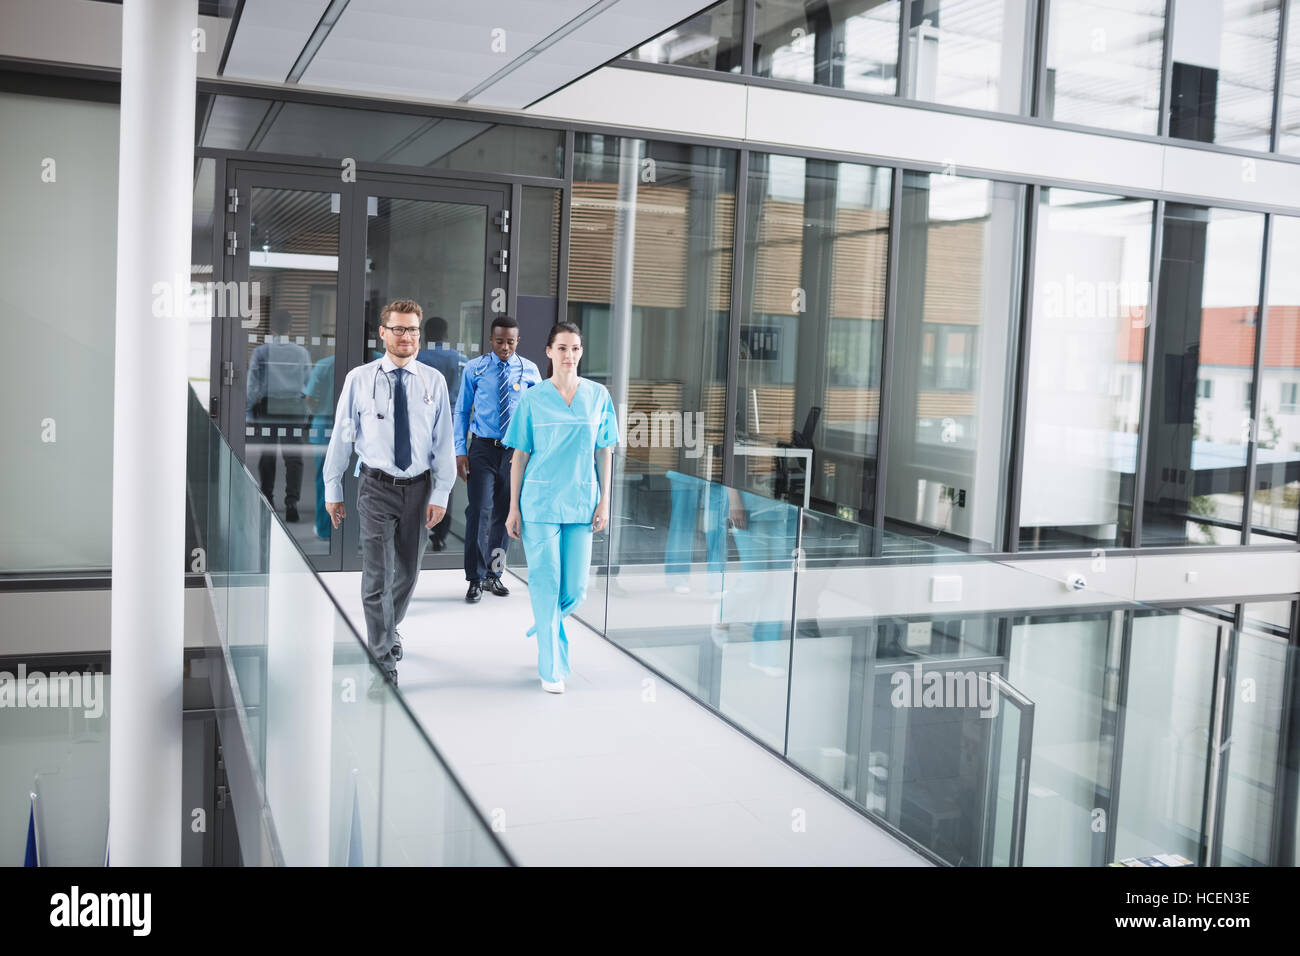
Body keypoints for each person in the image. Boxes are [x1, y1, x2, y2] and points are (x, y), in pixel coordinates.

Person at [323, 299, 455, 691]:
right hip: (375, 487)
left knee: (409, 572)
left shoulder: (434, 381)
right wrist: (333, 485)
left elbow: (443, 441)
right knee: (378, 575)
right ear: (382, 333)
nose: (406, 336)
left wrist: (442, 492)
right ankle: (383, 660)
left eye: (412, 329)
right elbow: (343, 433)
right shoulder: (360, 379)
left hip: (419, 488)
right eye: (397, 329)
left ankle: (388, 627)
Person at [505, 322, 619, 694]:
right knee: (546, 581)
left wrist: (605, 499)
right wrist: (512, 508)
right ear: (549, 352)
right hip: (538, 503)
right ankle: (551, 667)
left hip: (582, 501)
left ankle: (545, 621)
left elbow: (605, 451)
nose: (569, 356)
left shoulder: (598, 396)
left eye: (575, 349)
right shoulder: (533, 398)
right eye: (563, 348)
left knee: (576, 589)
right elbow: (519, 455)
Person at [454, 315, 542, 603]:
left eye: (511, 342)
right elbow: (462, 411)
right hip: (482, 448)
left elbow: (538, 413)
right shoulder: (475, 369)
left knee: (505, 514)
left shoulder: (529, 371)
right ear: (491, 340)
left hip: (515, 452)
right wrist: (459, 450)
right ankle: (475, 578)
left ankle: (494, 574)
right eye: (500, 341)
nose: (506, 347)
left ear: (518, 341)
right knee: (479, 511)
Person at [246, 309, 312, 521]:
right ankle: (291, 502)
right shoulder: (302, 353)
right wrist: (307, 413)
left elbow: (252, 385)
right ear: (290, 327)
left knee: (268, 455)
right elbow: (307, 384)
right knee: (294, 458)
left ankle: (268, 500)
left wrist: (248, 411)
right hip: (294, 408)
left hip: (268, 408)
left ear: (272, 327)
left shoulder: (262, 352)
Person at [416, 316, 467, 552]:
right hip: (453, 421)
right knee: (445, 475)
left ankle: (420, 527)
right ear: (446, 334)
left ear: (425, 335)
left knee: (419, 474)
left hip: (423, 422)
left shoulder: (420, 358)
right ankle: (440, 533)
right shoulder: (459, 359)